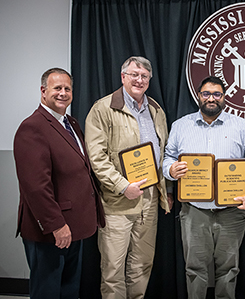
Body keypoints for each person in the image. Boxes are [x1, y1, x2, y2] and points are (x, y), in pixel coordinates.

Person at [163, 76, 245, 299]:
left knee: (228, 270)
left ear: (224, 97)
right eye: (206, 93)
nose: (211, 98)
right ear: (198, 96)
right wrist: (170, 170)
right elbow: (168, 157)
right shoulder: (180, 126)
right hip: (194, 211)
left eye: (217, 94)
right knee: (194, 270)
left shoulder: (242, 126)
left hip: (232, 212)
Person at [85, 56, 173, 299]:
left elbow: (163, 153)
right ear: (122, 77)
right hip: (117, 203)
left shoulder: (156, 110)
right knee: (113, 270)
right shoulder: (103, 108)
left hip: (150, 201)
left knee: (142, 265)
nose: (139, 79)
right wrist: (123, 186)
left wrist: (165, 193)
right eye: (134, 74)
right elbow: (96, 157)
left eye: (144, 76)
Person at [13, 68, 105, 299]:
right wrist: (56, 225)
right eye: (57, 88)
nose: (63, 93)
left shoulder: (70, 124)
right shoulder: (32, 127)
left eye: (67, 89)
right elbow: (36, 186)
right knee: (48, 291)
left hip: (73, 227)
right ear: (43, 92)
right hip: (52, 230)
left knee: (69, 290)